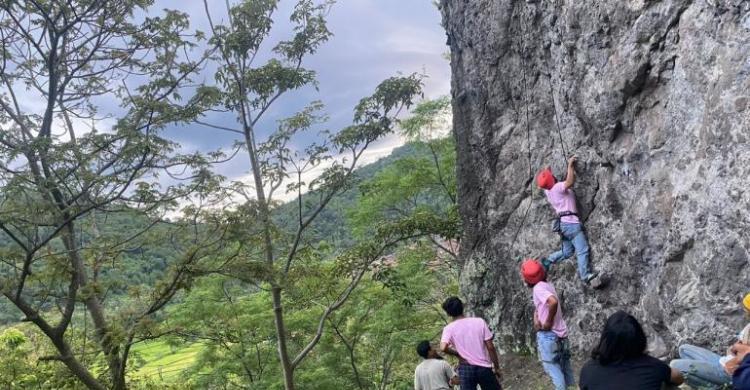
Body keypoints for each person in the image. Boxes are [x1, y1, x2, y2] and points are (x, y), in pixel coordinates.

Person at [536, 156, 603, 288]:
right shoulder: (557, 188)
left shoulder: (548, 192)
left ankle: (549, 260)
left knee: (567, 252)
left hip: (563, 225)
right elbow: (570, 182)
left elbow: (546, 179)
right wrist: (570, 166)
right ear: (552, 180)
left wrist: (546, 171)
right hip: (571, 224)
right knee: (582, 249)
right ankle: (585, 275)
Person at [579, 310, 684, 390]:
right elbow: (679, 378)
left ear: (606, 339)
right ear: (639, 338)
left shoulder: (588, 370)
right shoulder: (654, 367)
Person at [670, 293, 750, 389]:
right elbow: (735, 348)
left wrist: (734, 361)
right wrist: (733, 350)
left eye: (747, 309)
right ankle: (709, 376)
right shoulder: (748, 327)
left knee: (675, 366)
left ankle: (718, 387)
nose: (745, 312)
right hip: (724, 361)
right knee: (683, 349)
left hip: (732, 372)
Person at [520, 259, 575, 390]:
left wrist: (548, 321)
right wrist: (536, 317)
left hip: (549, 336)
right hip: (561, 334)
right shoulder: (547, 285)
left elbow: (553, 302)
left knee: (554, 369)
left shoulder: (538, 288)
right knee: (565, 367)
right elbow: (542, 305)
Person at [440, 297, 502, 390]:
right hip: (483, 367)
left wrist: (457, 354)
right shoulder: (479, 322)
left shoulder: (448, 329)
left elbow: (443, 347)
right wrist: (496, 367)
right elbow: (490, 347)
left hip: (465, 368)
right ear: (462, 307)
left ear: (448, 313)